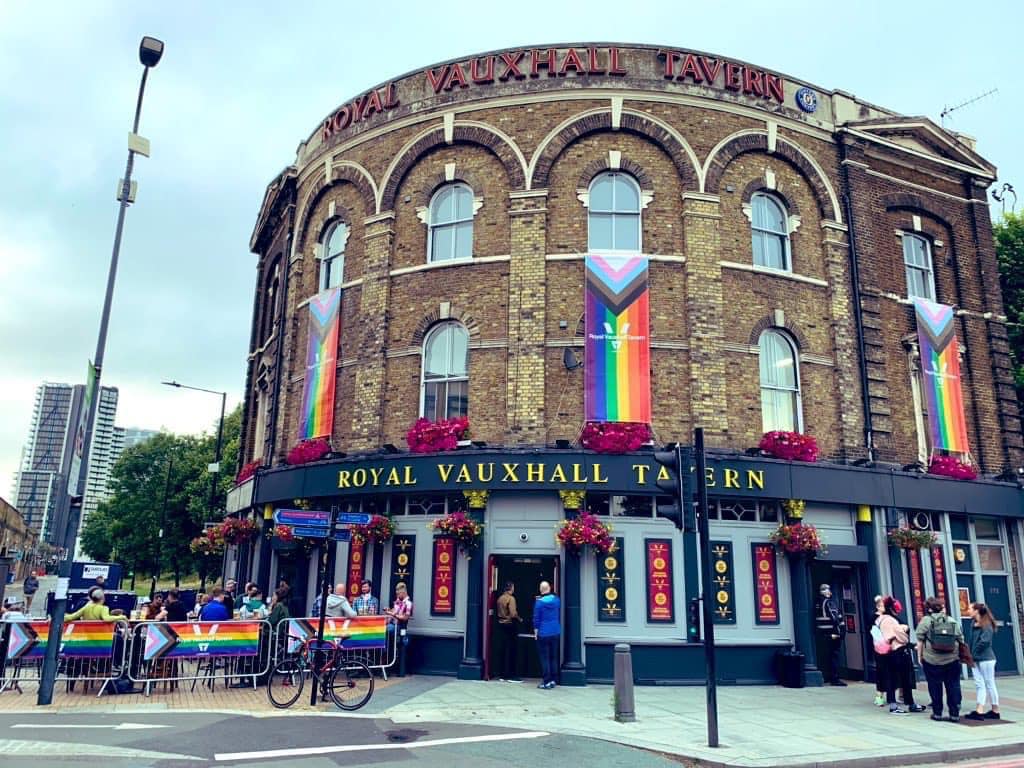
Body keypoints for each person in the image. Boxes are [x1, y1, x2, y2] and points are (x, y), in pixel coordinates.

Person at [916, 596, 964, 722]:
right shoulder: (952, 621)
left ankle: (937, 713)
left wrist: (919, 657)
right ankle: (954, 713)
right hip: (952, 660)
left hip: (932, 660)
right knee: (953, 685)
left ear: (929, 609)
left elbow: (920, 640)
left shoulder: (925, 621)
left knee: (934, 686)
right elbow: (960, 639)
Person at [876, 596, 925, 714]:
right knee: (904, 678)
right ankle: (904, 704)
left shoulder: (881, 619)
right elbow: (902, 637)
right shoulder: (891, 620)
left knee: (893, 677)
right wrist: (905, 628)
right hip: (898, 651)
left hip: (888, 652)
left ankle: (898, 703)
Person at [965, 602, 1000, 721]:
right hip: (975, 658)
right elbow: (971, 642)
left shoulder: (987, 624)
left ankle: (995, 711)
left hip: (986, 659)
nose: (967, 610)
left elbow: (984, 642)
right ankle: (979, 710)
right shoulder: (973, 623)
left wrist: (972, 655)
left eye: (970, 608)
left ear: (976, 611)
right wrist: (970, 655)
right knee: (979, 684)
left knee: (989, 683)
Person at [815, 583, 847, 686]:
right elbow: (835, 618)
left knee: (825, 656)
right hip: (832, 634)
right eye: (828, 590)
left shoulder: (818, 603)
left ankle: (826, 677)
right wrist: (841, 632)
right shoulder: (829, 603)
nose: (829, 592)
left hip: (822, 634)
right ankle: (834, 679)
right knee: (834, 656)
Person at [533, 581, 561, 689]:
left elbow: (536, 619)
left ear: (541, 589)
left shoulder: (539, 603)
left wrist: (536, 633)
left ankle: (546, 681)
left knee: (545, 658)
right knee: (553, 657)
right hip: (555, 631)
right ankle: (554, 680)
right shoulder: (557, 600)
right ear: (549, 588)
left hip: (544, 633)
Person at [496, 581, 522, 682]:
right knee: (512, 650)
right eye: (513, 587)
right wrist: (520, 619)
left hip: (501, 625)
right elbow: (513, 613)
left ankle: (502, 675)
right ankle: (512, 675)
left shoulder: (500, 598)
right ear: (510, 588)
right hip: (510, 625)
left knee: (502, 649)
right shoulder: (511, 599)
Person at [870, 595, 888, 707]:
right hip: (880, 647)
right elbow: (874, 632)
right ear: (878, 607)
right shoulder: (874, 618)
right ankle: (879, 696)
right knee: (881, 671)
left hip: (885, 647)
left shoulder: (887, 617)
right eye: (882, 606)